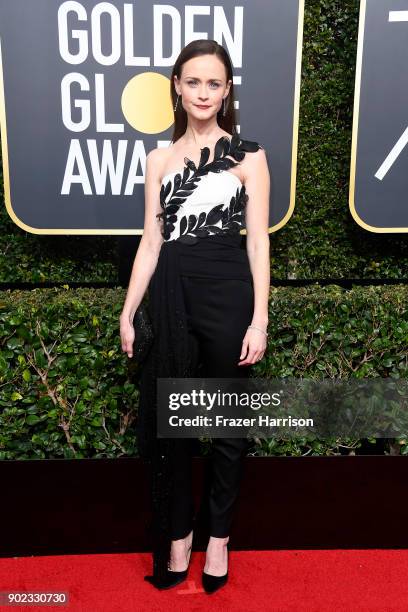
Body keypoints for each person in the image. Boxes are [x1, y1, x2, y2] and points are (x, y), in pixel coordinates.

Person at [120, 39, 270, 594]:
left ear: (226, 90)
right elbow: (150, 243)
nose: (203, 92)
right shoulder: (159, 160)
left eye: (214, 82)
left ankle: (220, 540)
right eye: (193, 82)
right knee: (175, 427)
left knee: (228, 429)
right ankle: (180, 535)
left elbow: (257, 241)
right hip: (172, 296)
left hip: (228, 293)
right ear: (177, 88)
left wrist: (259, 320)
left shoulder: (248, 156)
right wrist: (129, 310)